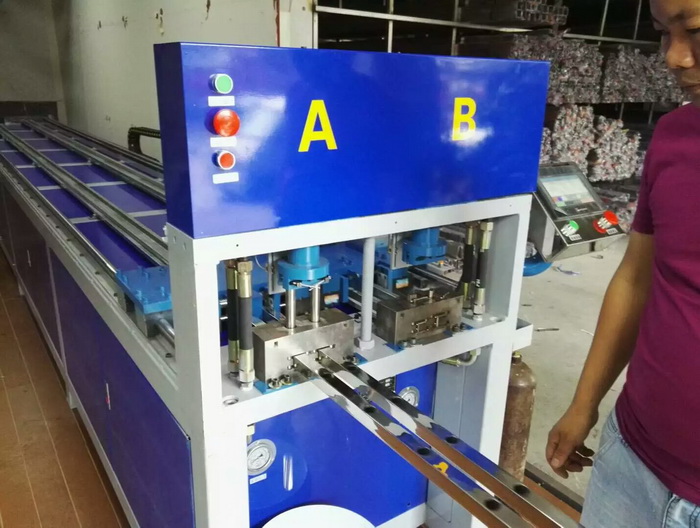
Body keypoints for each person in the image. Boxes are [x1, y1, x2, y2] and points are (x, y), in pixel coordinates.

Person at [545, 0, 700, 526]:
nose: (675, 57)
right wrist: (584, 404)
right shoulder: (675, 137)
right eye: (662, 33)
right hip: (634, 458)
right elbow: (635, 279)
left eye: (695, 30)